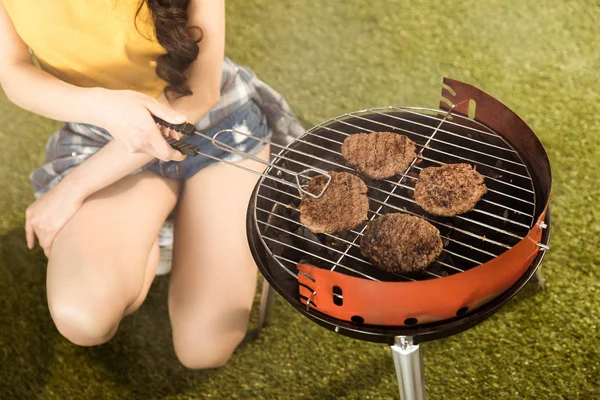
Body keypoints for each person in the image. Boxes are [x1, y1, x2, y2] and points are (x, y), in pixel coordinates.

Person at [0, 0, 303, 369]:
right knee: (83, 316)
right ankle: (160, 229)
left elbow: (200, 92)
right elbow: (13, 71)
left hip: (214, 124)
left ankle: (171, 226)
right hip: (107, 133)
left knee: (203, 349)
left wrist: (71, 189)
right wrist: (105, 108)